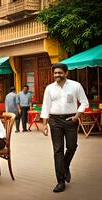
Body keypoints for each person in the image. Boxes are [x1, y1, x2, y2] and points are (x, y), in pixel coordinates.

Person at [40, 63, 89, 193]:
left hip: (71, 119)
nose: (57, 75)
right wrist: (44, 124)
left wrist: (77, 116)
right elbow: (45, 106)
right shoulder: (49, 88)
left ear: (66, 73)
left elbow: (84, 102)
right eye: (55, 73)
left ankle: (65, 165)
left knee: (72, 146)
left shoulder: (76, 86)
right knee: (58, 150)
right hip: (54, 120)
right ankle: (60, 182)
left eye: (60, 73)